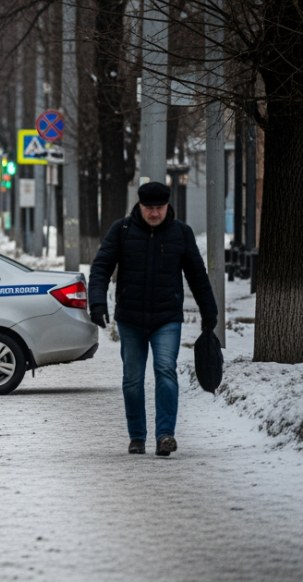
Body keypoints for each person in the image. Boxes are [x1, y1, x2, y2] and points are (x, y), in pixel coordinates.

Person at [89, 182, 217, 457]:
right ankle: (137, 436)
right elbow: (101, 267)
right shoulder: (122, 230)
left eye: (160, 208)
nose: (155, 213)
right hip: (130, 318)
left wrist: (210, 313)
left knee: (165, 371)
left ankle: (165, 435)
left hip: (166, 318)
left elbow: (197, 274)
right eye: (150, 208)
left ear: (168, 205)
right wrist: (97, 302)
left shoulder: (181, 233)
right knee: (133, 380)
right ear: (140, 205)